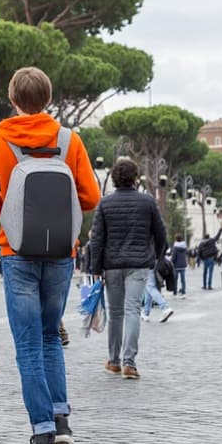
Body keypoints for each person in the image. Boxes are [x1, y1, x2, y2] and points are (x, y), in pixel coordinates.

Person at [0, 67, 100, 444]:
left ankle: (41, 433)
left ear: (12, 100)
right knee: (49, 339)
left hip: (18, 253)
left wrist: (11, 212)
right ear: (48, 99)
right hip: (62, 252)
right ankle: (61, 422)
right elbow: (91, 197)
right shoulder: (69, 141)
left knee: (28, 343)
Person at [88, 157, 165, 380]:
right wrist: (155, 258)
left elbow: (97, 239)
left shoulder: (105, 203)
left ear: (114, 178)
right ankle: (129, 363)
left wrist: (95, 267)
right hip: (139, 264)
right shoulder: (148, 202)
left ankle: (113, 361)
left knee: (116, 313)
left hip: (112, 265)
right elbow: (161, 234)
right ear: (135, 177)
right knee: (133, 311)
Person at [197, 225, 222, 289]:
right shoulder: (211, 240)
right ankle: (209, 285)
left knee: (205, 272)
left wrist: (201, 258)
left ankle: (204, 285)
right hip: (211, 258)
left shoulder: (201, 243)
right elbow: (217, 237)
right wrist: (220, 229)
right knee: (210, 273)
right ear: (209, 237)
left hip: (205, 259)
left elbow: (199, 252)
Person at [171, 234, 188, 299]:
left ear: (176, 239)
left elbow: (174, 257)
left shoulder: (175, 248)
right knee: (183, 279)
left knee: (175, 279)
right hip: (183, 265)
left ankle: (175, 292)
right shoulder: (184, 247)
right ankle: (183, 291)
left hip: (176, 266)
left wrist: (171, 262)